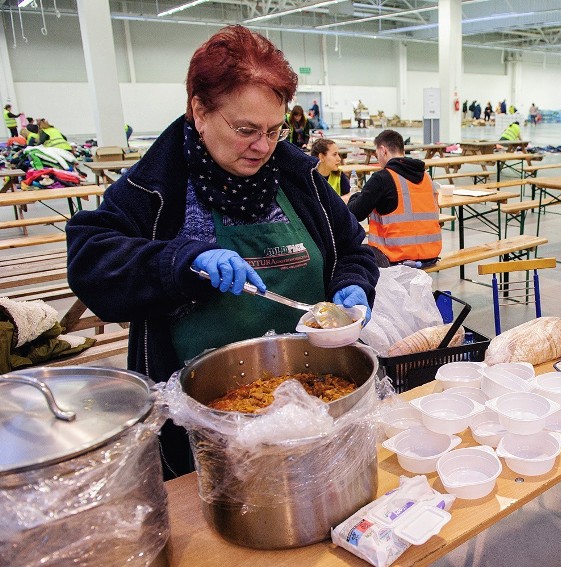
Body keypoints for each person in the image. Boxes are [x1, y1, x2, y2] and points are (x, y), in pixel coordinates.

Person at [65, 25, 379, 480]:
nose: (264, 147)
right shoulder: (156, 186)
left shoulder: (298, 178)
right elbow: (92, 260)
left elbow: (353, 248)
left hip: (318, 405)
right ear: (199, 110)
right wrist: (181, 262)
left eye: (274, 130)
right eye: (246, 129)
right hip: (208, 421)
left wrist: (353, 285)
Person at [346, 129, 441, 267]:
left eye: (377, 153)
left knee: (351, 256)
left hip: (395, 258)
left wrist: (355, 195)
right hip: (430, 255)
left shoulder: (382, 178)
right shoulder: (426, 177)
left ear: (383, 150)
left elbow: (354, 213)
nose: (377, 159)